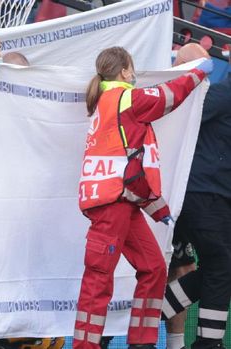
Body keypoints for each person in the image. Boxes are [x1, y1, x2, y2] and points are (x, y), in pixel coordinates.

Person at [74, 46, 212, 349]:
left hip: (121, 203)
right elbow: (168, 96)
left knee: (154, 267)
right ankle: (87, 346)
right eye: (132, 68)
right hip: (113, 205)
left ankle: (143, 342)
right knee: (99, 279)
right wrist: (199, 71)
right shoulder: (125, 100)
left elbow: (128, 165)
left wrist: (156, 207)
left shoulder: (108, 103)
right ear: (124, 71)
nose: (134, 74)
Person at [161, 47, 231, 349]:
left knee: (220, 267)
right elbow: (189, 114)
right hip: (203, 196)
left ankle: (150, 314)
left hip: (209, 195)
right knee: (220, 265)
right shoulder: (222, 93)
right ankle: (206, 342)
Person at [162, 42, 210, 349]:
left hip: (189, 201)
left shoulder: (210, 99)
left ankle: (176, 344)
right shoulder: (160, 95)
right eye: (200, 70)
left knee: (183, 268)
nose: (204, 77)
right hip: (158, 199)